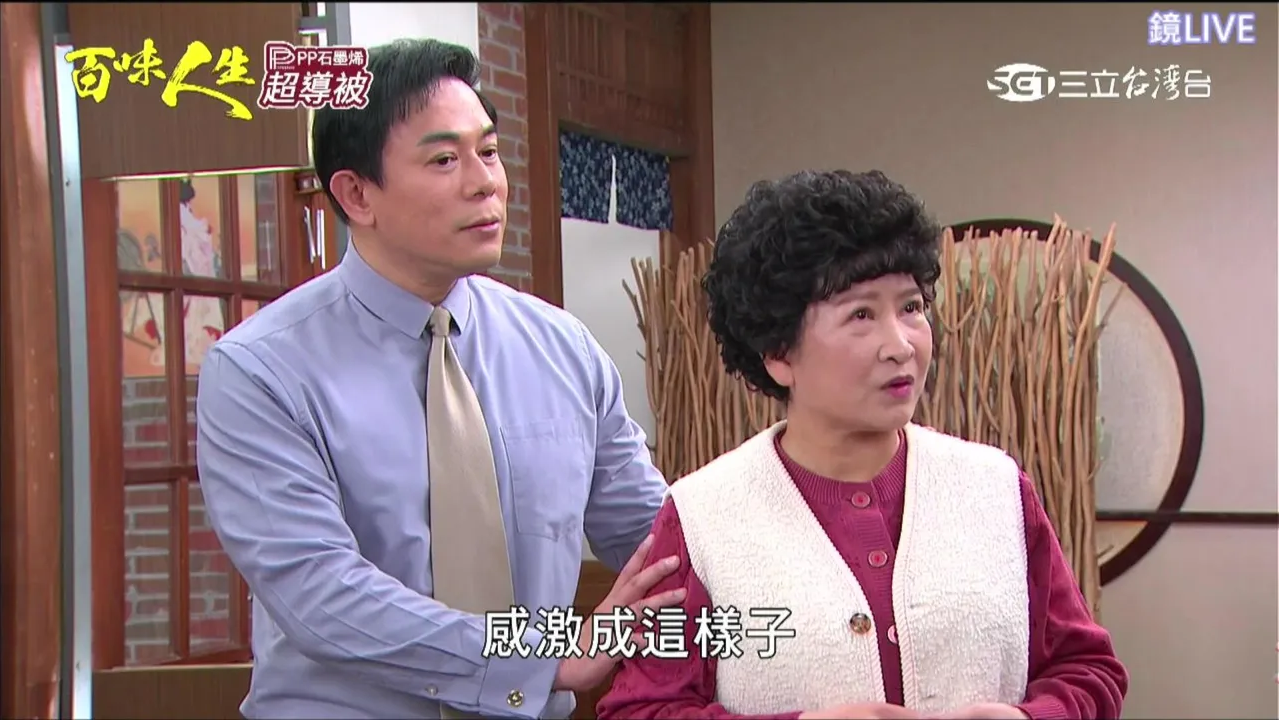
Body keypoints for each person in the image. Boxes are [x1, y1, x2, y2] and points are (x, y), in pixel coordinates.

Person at [196, 38, 681, 719]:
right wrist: (540, 660)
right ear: (357, 194)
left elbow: (659, 543)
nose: (486, 183)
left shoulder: (561, 349)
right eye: (445, 160)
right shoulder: (260, 370)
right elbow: (319, 595)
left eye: (490, 151)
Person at [596, 170, 1129, 720]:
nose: (900, 345)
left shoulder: (995, 489)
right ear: (778, 352)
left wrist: (1028, 718)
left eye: (911, 307)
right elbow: (641, 710)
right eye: (861, 315)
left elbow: (1088, 669)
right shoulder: (703, 517)